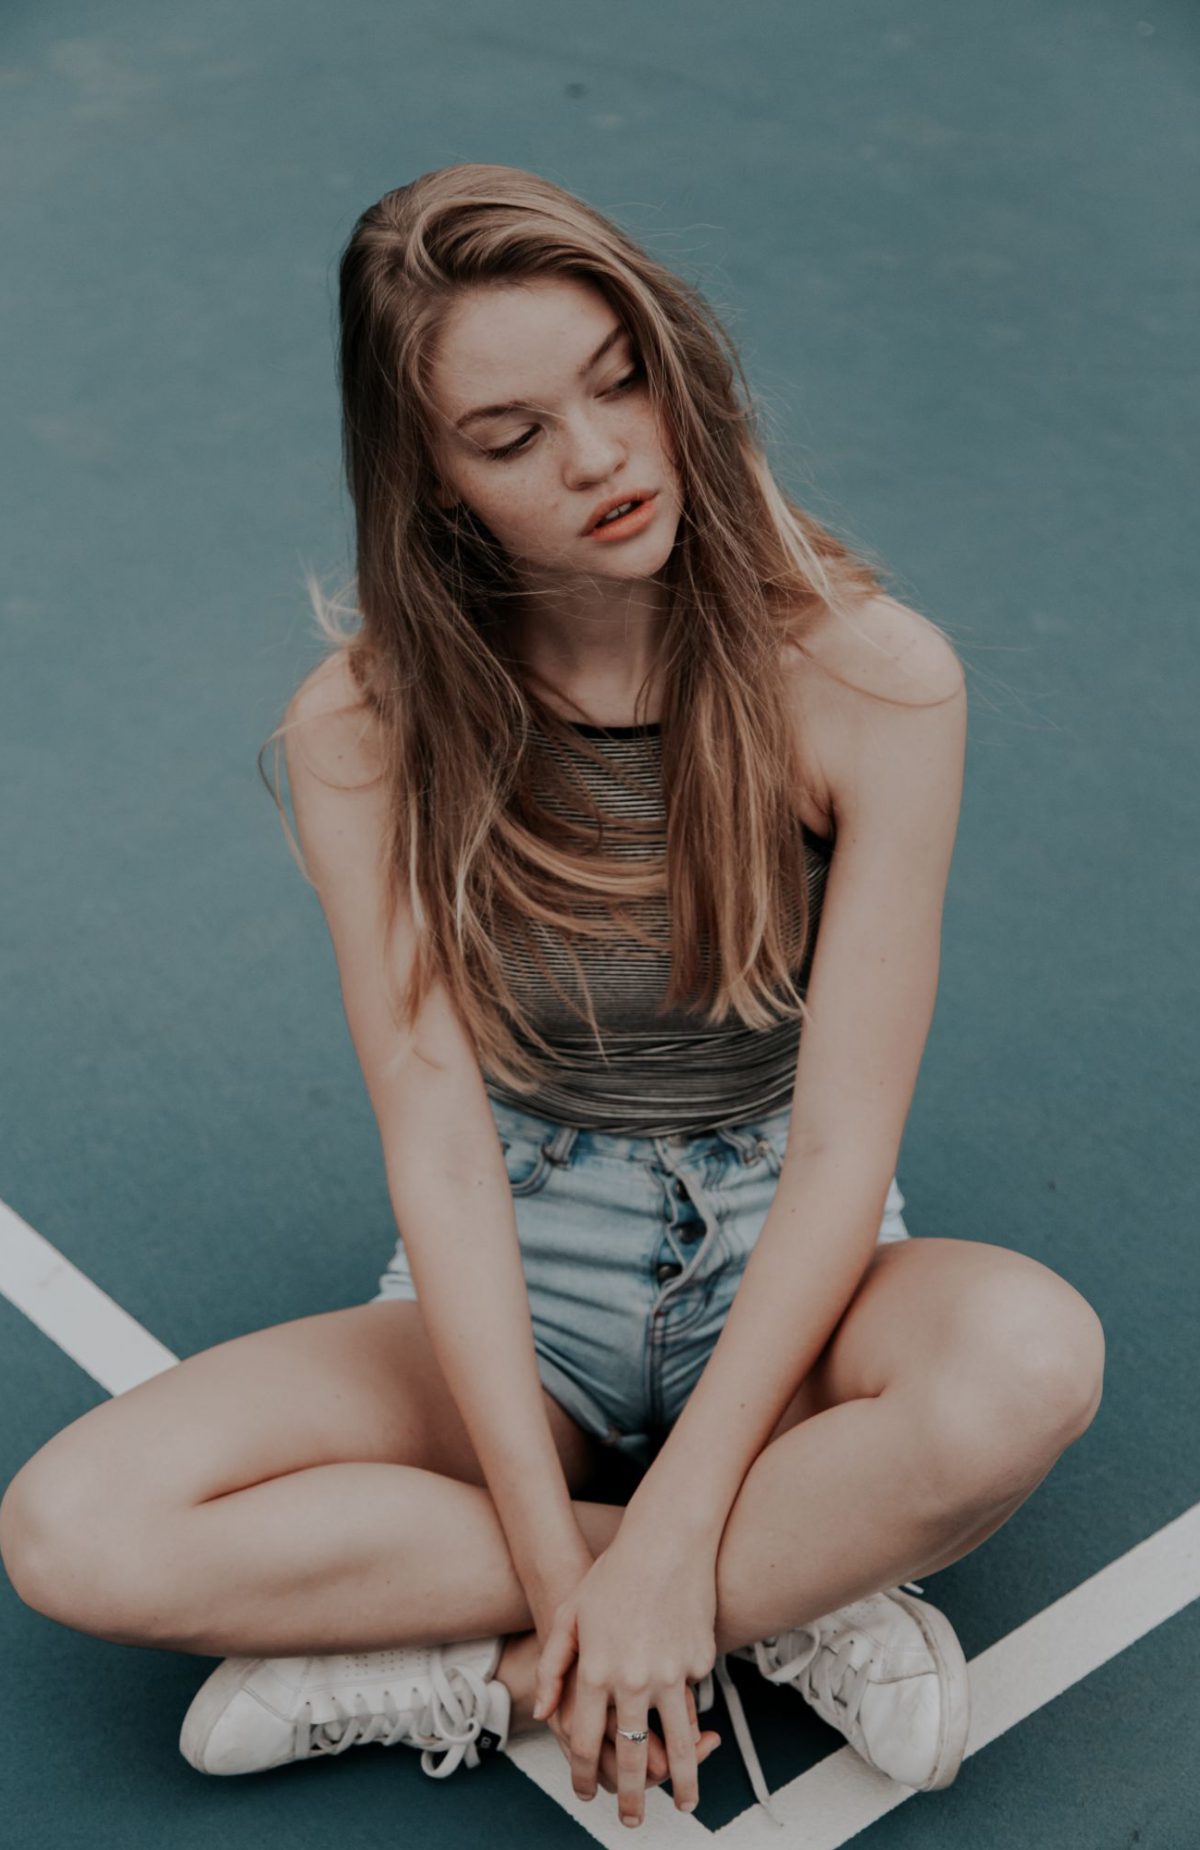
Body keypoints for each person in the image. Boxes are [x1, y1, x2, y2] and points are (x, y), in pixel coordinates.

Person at [0, 164, 1106, 1832]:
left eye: (619, 379)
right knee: (73, 1530)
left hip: (783, 1241)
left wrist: (678, 1532)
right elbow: (438, 1146)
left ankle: (514, 1643)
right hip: (525, 1263)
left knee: (1029, 1356)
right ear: (432, 482)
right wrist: (572, 1556)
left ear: (674, 364)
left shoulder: (870, 676)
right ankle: (777, 1590)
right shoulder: (360, 730)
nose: (598, 456)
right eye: (510, 436)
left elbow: (843, 1145)